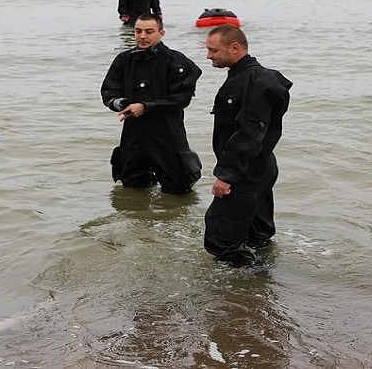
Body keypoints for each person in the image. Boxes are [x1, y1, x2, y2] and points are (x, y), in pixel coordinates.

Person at [203, 24, 292, 267]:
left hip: (246, 171)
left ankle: (242, 292)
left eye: (213, 50)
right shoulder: (243, 77)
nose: (208, 55)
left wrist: (226, 176)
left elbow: (250, 133)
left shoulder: (257, 82)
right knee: (258, 234)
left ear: (235, 48)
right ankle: (263, 283)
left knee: (221, 239)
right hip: (260, 167)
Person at [100, 14, 202, 194]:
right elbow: (109, 91)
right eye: (138, 31)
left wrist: (146, 107)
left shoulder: (177, 61)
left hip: (168, 134)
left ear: (161, 33)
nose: (142, 36)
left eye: (149, 32)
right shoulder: (124, 60)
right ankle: (139, 221)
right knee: (132, 189)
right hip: (134, 135)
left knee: (178, 190)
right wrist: (121, 104)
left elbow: (181, 98)